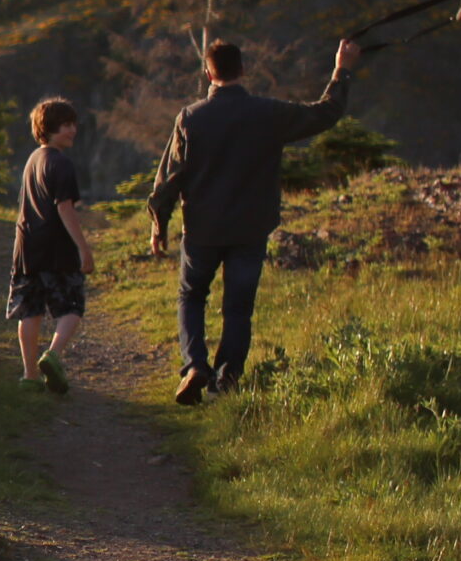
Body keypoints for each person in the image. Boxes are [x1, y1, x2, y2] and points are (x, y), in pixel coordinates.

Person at [147, 35, 365, 404]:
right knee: (238, 306)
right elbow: (324, 113)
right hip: (250, 227)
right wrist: (340, 71)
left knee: (191, 295)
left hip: (203, 228)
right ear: (243, 70)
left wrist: (159, 225)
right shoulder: (269, 113)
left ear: (207, 72)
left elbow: (170, 177)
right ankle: (227, 379)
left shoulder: (191, 118)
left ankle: (195, 365)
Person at [8, 96, 92, 394]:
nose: (73, 130)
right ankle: (53, 355)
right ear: (50, 128)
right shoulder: (62, 164)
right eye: (66, 125)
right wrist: (83, 247)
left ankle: (30, 376)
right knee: (71, 306)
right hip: (58, 250)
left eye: (73, 124)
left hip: (27, 248)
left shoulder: (33, 159)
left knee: (29, 310)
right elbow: (65, 207)